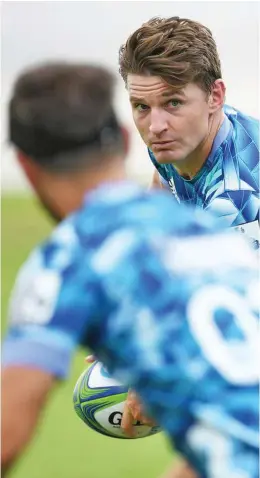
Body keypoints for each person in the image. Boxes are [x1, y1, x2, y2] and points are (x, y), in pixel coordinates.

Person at [1, 62, 258, 478]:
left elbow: (6, 437)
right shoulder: (208, 229)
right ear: (123, 139)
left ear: (28, 168)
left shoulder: (68, 258)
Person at [117, 14, 260, 451]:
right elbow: (161, 221)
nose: (154, 125)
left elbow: (230, 318)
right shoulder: (177, 137)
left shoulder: (235, 196)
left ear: (215, 95)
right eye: (141, 107)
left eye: (173, 103)